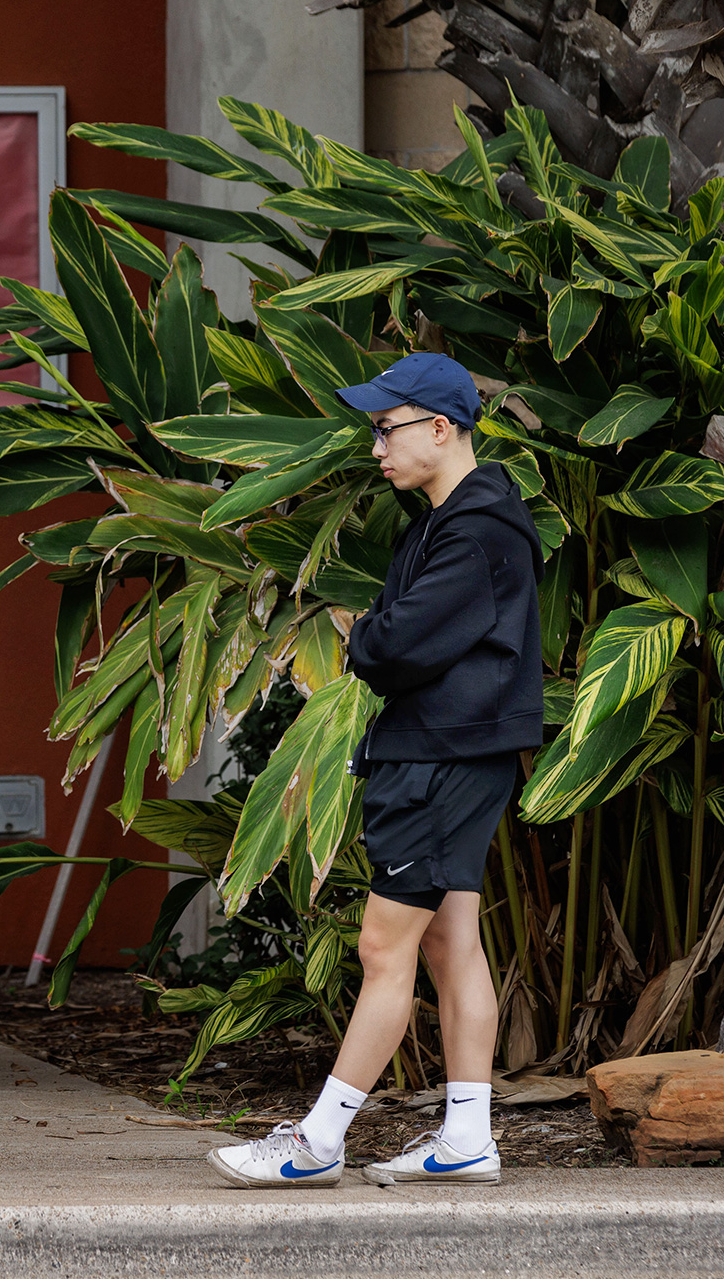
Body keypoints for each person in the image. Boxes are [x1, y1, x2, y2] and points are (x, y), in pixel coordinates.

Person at [207, 353, 542, 1189]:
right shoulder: (450, 520)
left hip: (440, 758)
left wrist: (366, 636)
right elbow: (398, 635)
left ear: (441, 426)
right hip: (452, 752)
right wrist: (379, 634)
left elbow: (390, 645)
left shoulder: (475, 530)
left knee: (382, 946)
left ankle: (319, 1140)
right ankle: (468, 1136)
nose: (375, 447)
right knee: (448, 943)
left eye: (386, 428)